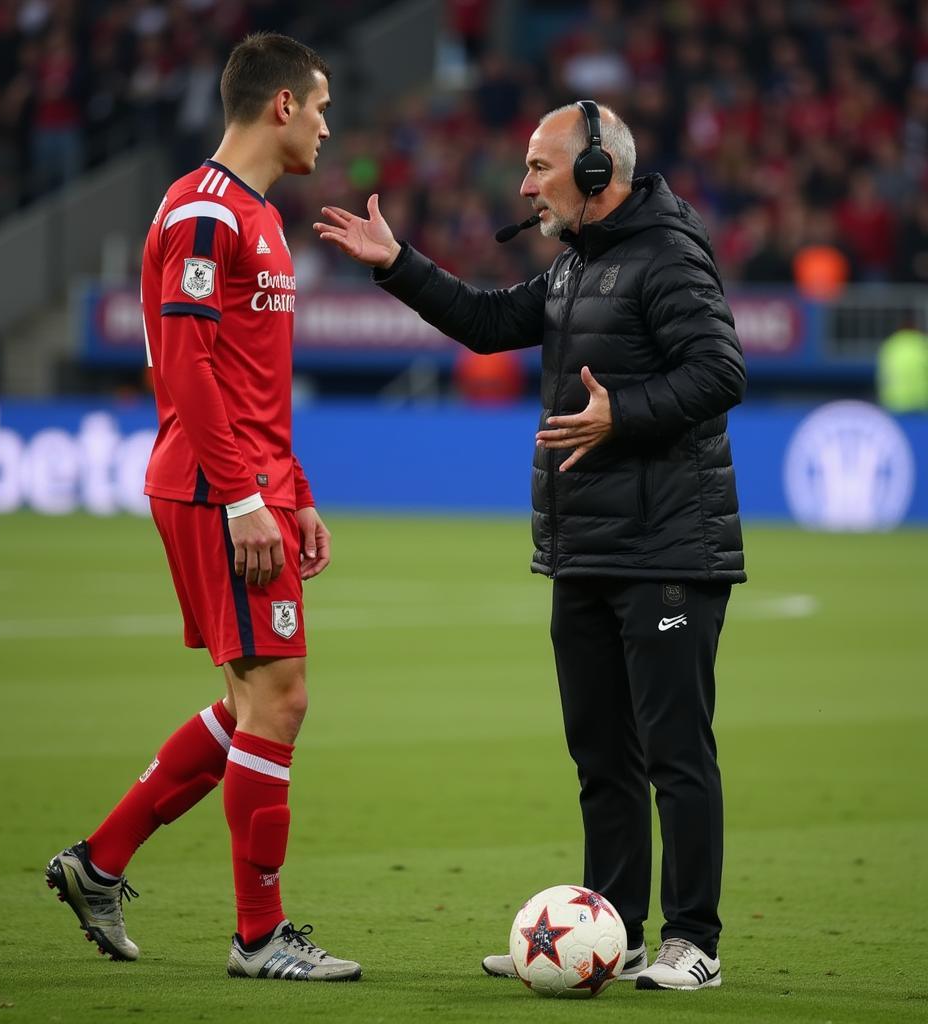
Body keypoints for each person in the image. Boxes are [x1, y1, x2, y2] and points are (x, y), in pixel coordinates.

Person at [315, 101, 746, 991]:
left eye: (539, 167)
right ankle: (616, 930)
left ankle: (692, 940)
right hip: (587, 546)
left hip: (668, 548)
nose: (522, 185)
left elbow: (720, 370)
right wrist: (397, 264)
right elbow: (484, 323)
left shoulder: (666, 253)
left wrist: (622, 412)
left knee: (675, 752)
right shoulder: (576, 267)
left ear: (598, 173)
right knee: (601, 756)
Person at [46, 32, 362, 983]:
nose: (326, 123)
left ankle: (98, 864)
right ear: (279, 106)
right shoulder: (205, 211)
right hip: (213, 486)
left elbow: (257, 383)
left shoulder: (260, 219)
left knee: (249, 703)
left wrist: (293, 493)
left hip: (248, 483)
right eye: (320, 105)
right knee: (282, 697)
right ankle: (259, 938)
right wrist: (242, 500)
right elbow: (186, 368)